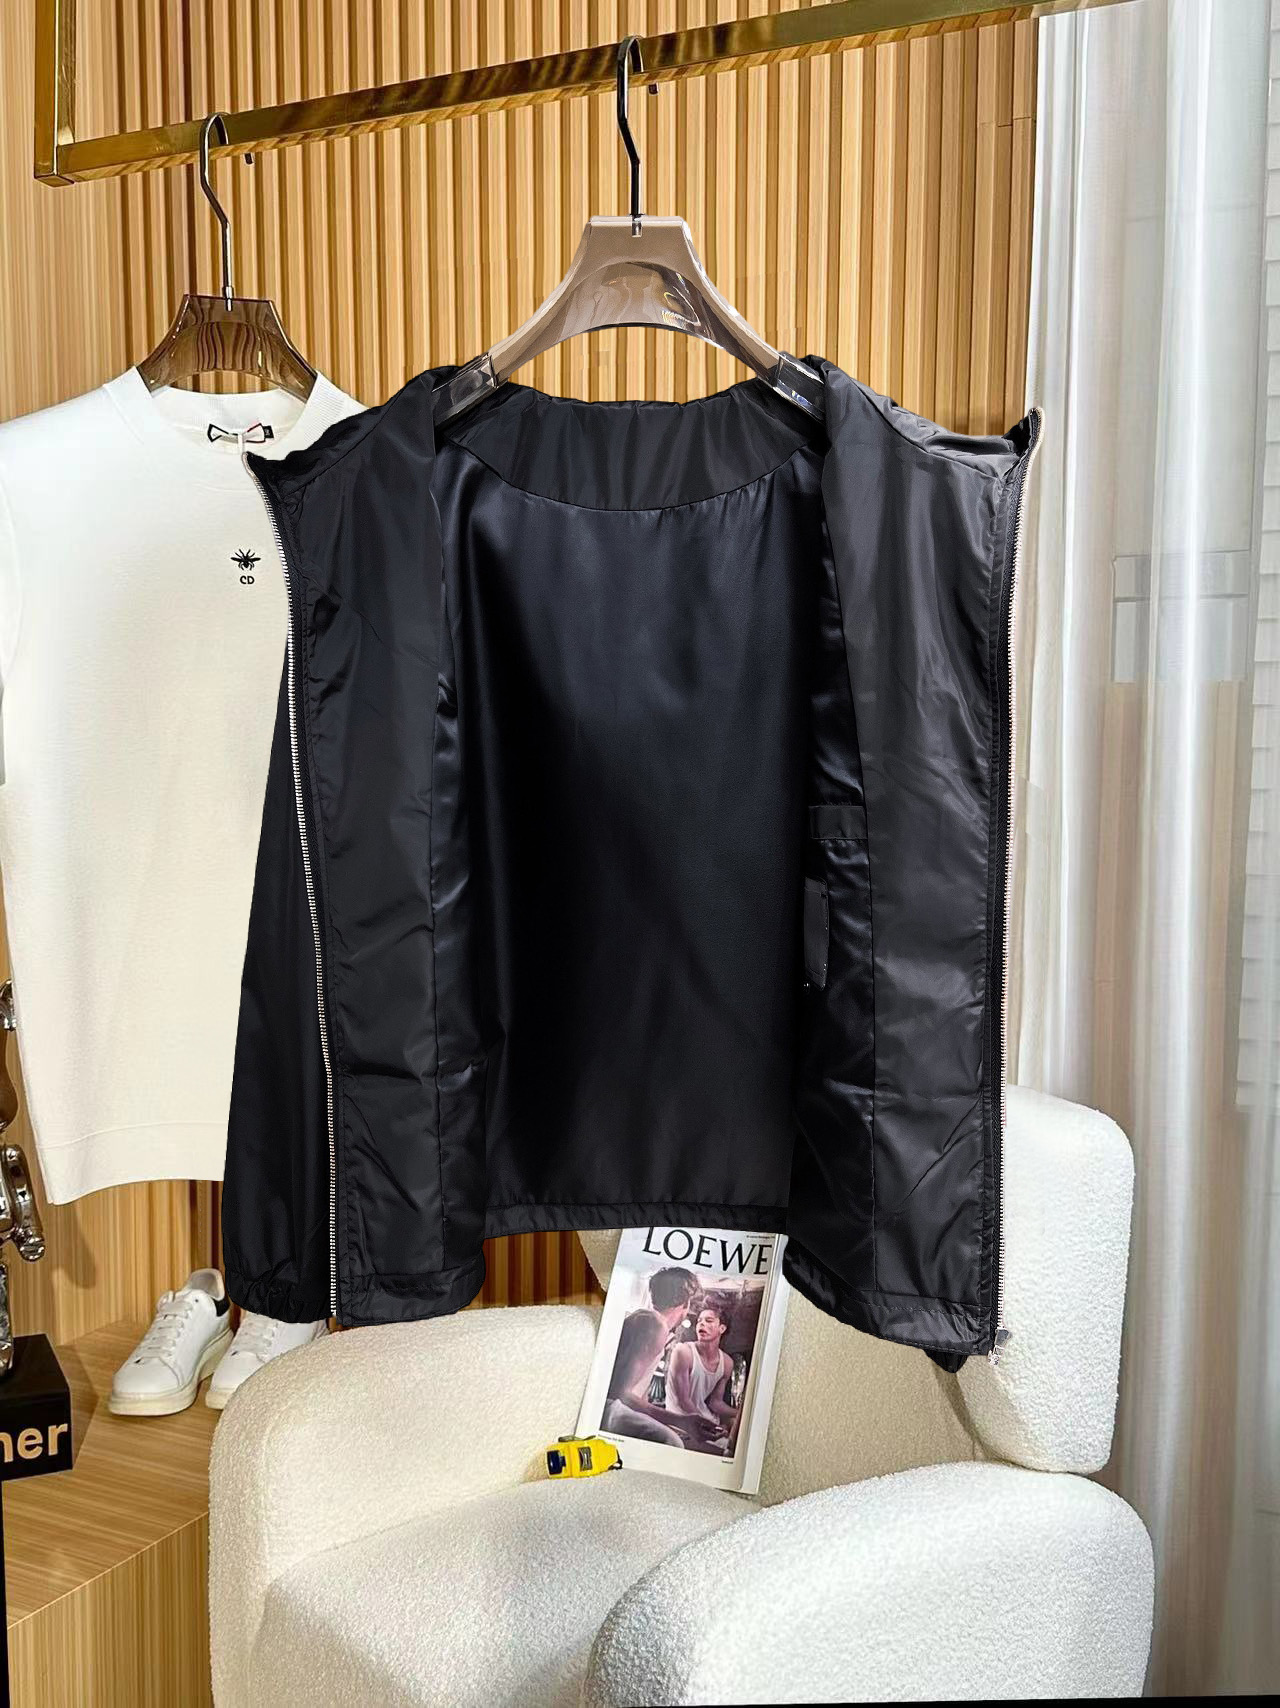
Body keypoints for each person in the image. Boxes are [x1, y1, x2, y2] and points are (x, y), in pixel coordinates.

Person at [602, 1267, 719, 1448]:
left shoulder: (643, 1318)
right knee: (672, 1442)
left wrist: (673, 1424)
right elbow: (620, 1394)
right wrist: (681, 1421)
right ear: (685, 1303)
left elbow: (636, 1396)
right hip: (609, 1409)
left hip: (614, 1408)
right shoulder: (655, 1325)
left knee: (677, 1438)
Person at [666, 1299, 741, 1453]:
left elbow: (715, 1403)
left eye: (709, 1321)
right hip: (680, 1421)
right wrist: (711, 1427)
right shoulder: (683, 1352)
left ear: (722, 1328)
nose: (701, 1324)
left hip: (705, 1419)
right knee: (725, 1452)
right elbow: (683, 1401)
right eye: (699, 1321)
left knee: (736, 1435)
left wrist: (741, 1414)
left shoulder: (727, 1363)